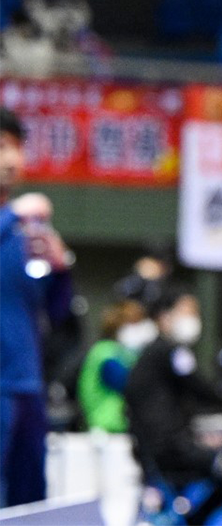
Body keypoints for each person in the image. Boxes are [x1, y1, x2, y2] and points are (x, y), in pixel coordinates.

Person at [0, 107, 75, 507]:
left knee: (29, 503)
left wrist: (60, 270)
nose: (12, 159)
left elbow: (57, 312)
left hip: (26, 386)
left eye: (17, 147)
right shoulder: (15, 218)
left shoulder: (26, 232)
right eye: (1, 147)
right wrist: (12, 213)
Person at [124, 287, 222, 524]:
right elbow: (199, 387)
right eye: (186, 312)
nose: (193, 319)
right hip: (169, 451)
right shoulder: (168, 351)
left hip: (161, 448)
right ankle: (193, 520)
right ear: (165, 317)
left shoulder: (155, 354)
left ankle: (191, 519)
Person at [77, 299, 156, 433]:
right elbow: (128, 384)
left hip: (121, 426)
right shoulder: (105, 353)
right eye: (135, 323)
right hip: (107, 427)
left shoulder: (125, 353)